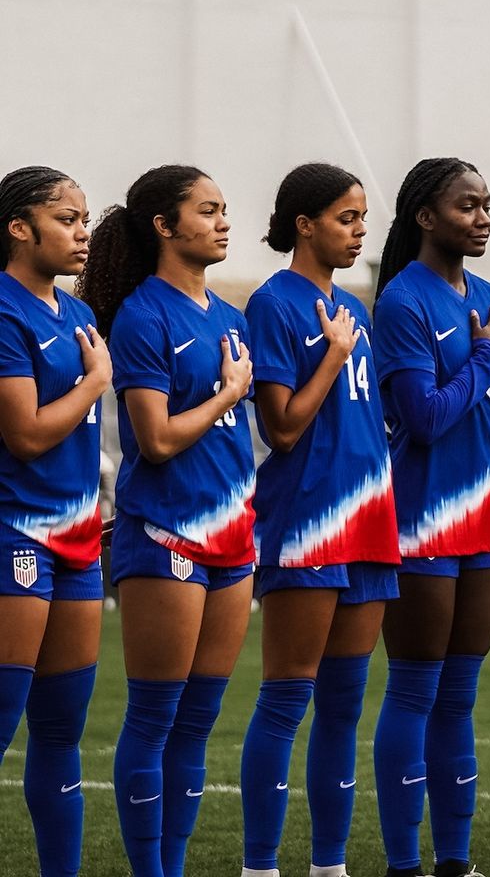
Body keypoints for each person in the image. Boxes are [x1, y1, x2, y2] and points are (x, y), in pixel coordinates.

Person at [78, 165, 255, 877]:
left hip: (234, 538)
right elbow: (155, 439)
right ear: (164, 226)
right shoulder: (143, 316)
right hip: (165, 535)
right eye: (207, 210)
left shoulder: (231, 318)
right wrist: (229, 393)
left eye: (223, 210)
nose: (222, 221)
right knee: (154, 717)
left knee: (198, 721)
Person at [239, 163, 400, 877]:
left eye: (363, 218)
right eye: (346, 217)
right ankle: (260, 866)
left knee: (344, 706)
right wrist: (333, 356)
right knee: (286, 698)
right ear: (304, 224)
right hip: (307, 522)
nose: (359, 230)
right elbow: (282, 428)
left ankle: (330, 867)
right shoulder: (275, 303)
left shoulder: (354, 308)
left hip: (368, 525)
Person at [372, 157, 490, 877]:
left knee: (460, 695)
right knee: (416, 688)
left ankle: (454, 861)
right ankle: (405, 861)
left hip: (488, 516)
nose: (483, 217)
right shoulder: (403, 302)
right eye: (467, 206)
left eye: (487, 205)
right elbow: (424, 419)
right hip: (426, 517)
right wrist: (488, 358)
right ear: (426, 218)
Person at [0, 167, 110, 877]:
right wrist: (97, 381)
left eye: (86, 221)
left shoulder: (79, 317)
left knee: (61, 733)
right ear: (19, 227)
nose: (82, 233)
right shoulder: (5, 312)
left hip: (77, 545)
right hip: (16, 536)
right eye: (67, 219)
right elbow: (28, 435)